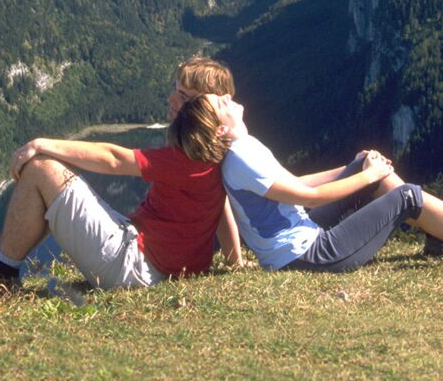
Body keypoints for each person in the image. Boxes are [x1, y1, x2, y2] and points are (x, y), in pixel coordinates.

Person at [0, 57, 243, 292]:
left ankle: (1, 276)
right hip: (155, 263)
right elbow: (220, 208)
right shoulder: (213, 155)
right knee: (54, 191)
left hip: (133, 267)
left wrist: (41, 144)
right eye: (174, 90)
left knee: (41, 169)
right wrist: (236, 263)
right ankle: (0, 262)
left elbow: (114, 160)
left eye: (183, 96)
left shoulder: (184, 160)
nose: (171, 99)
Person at [170, 94, 443, 272]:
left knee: (366, 167)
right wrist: (370, 175)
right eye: (220, 102)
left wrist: (354, 167)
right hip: (308, 256)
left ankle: (437, 236)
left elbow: (293, 184)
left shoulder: (240, 151)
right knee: (408, 197)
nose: (227, 96)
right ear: (221, 130)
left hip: (300, 245)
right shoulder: (242, 157)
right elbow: (309, 197)